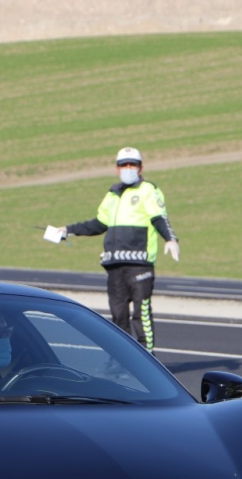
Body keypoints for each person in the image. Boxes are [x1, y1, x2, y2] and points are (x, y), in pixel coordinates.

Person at [52, 147, 179, 352]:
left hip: (140, 263)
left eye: (132, 164)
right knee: (118, 315)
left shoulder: (148, 190)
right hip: (114, 264)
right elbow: (99, 224)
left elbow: (159, 218)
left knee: (141, 312)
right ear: (117, 169)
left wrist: (170, 239)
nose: (128, 168)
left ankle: (149, 357)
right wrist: (68, 230)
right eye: (123, 165)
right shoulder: (112, 194)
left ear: (140, 167)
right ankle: (124, 360)